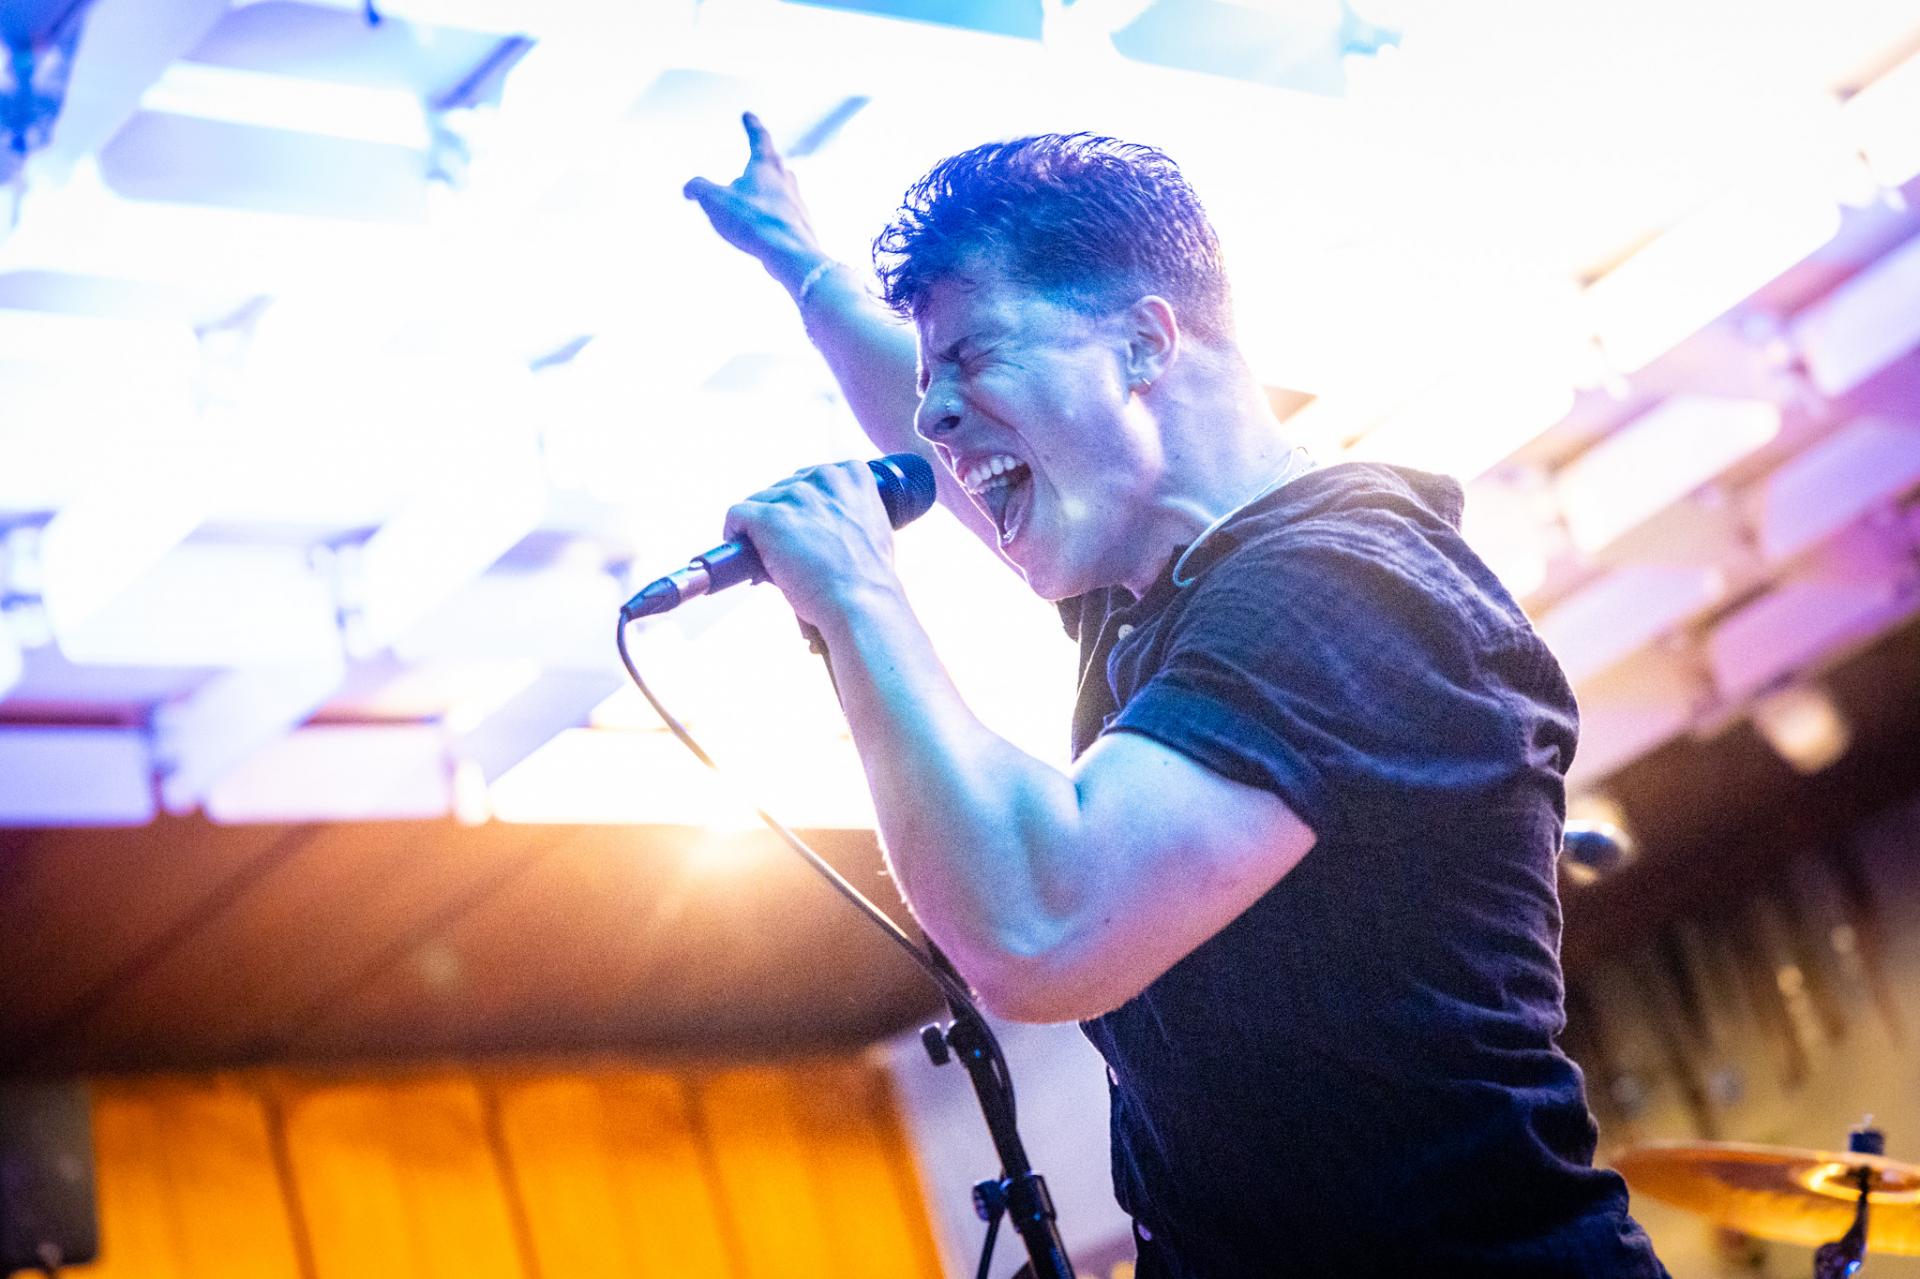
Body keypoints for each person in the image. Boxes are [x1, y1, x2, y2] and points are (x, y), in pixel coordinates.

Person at [683, 114, 1668, 1277]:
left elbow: (1041, 926)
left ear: (1144, 345)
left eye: (974, 359)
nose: (935, 417)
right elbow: (910, 400)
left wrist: (856, 591)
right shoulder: (1158, 578)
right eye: (931, 374)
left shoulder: (1338, 589)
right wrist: (802, 265)